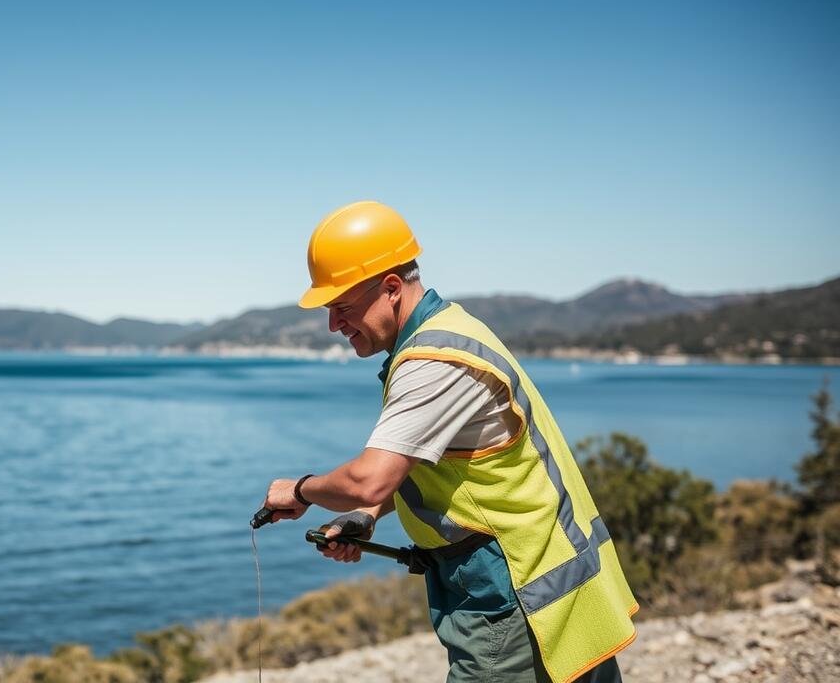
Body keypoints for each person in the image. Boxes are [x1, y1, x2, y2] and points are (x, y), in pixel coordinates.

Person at [260, 201, 637, 683]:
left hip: (517, 596)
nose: (334, 324)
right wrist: (367, 515)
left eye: (342, 307)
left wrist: (301, 490)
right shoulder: (452, 330)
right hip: (550, 579)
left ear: (391, 288)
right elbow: (444, 466)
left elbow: (370, 479)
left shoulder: (434, 361)